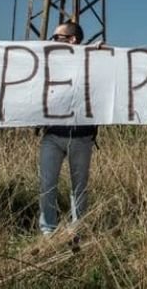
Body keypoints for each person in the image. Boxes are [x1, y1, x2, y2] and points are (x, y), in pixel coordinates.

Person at [38, 21, 97, 236]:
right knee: (47, 184)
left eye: (57, 38)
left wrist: (100, 53)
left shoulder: (92, 62)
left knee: (79, 187)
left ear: (72, 40)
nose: (52, 41)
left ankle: (77, 231)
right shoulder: (48, 61)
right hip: (52, 135)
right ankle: (48, 231)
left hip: (81, 136)